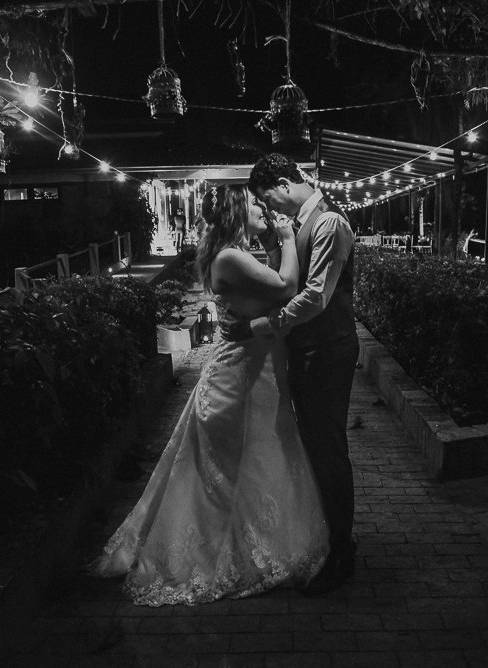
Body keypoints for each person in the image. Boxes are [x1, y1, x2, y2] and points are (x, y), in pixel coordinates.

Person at [87, 185, 329, 606]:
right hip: (239, 379)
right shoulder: (230, 257)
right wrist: (289, 239)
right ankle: (220, 550)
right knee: (230, 469)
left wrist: (275, 245)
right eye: (253, 204)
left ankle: (248, 541)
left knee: (251, 463)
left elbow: (269, 291)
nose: (262, 208)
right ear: (236, 214)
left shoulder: (236, 253)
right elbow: (288, 286)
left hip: (254, 370)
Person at [221, 153, 359, 597]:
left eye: (267, 199)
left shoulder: (328, 224)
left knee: (328, 447)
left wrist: (260, 326)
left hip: (328, 350)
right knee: (314, 445)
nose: (268, 208)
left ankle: (342, 550)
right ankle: (329, 539)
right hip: (306, 350)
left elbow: (315, 297)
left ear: (284, 184)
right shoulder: (296, 225)